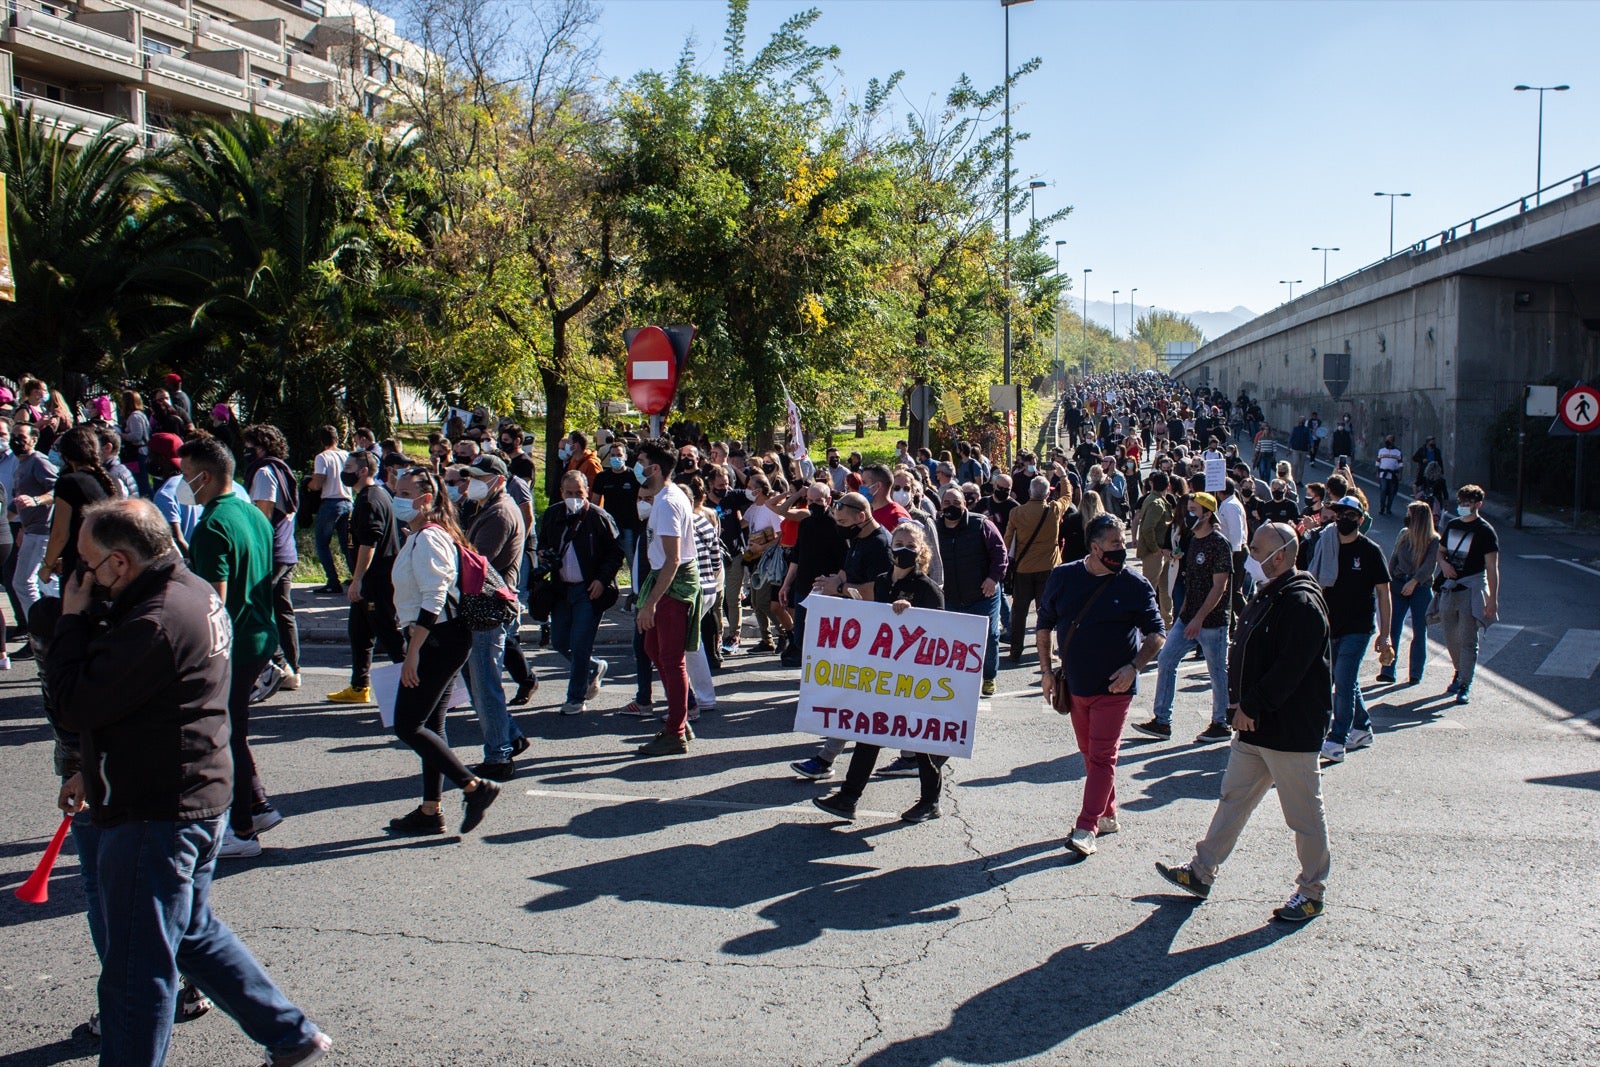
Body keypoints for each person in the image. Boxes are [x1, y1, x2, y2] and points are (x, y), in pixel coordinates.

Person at [47, 498, 334, 1066]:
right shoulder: (192, 589)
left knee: (136, 971)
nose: (77, 575)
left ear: (121, 563)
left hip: (156, 807)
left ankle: (286, 1033)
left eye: (86, 563)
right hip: (195, 792)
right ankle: (289, 1032)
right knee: (191, 932)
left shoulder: (153, 619)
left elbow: (74, 704)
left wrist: (72, 622)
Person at [1155, 520, 1334, 923]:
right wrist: (1242, 709)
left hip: (1288, 730)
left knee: (1303, 816)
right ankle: (1201, 872)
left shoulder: (1301, 603)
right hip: (1253, 726)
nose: (1250, 556)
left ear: (1282, 556)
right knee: (1233, 800)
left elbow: (1290, 669)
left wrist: (1251, 705)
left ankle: (1311, 891)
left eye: (1257, 551)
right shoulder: (1269, 592)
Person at [178, 437, 284, 859]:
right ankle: (255, 807)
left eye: (186, 476)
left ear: (204, 476)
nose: (183, 484)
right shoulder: (252, 515)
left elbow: (213, 603)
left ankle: (240, 831)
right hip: (259, 634)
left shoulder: (211, 525)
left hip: (233, 644)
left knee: (224, 736)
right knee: (234, 731)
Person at [1037, 514, 1165, 856]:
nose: (1122, 549)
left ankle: (1086, 826)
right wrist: (1047, 672)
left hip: (1115, 689)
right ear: (1094, 547)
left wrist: (1134, 668)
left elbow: (1157, 634)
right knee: (1089, 754)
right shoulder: (1064, 577)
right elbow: (1045, 624)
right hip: (1076, 685)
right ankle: (1107, 813)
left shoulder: (1135, 586)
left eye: (1123, 543)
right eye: (1115, 544)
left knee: (1104, 756)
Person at [384, 466, 503, 834]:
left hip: (439, 638)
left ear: (426, 499)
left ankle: (474, 786)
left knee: (408, 724)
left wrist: (413, 651)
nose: (396, 497)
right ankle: (430, 810)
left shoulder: (430, 538)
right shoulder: (420, 536)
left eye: (404, 492)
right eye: (396, 490)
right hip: (441, 637)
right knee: (432, 724)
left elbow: (435, 597)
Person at [811, 523, 951, 823]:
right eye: (897, 542)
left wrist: (912, 613)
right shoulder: (882, 581)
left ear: (921, 551)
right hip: (886, 676)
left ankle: (930, 800)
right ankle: (848, 797)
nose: (902, 549)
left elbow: (940, 635)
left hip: (915, 679)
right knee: (869, 733)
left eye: (910, 545)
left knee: (921, 742)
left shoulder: (928, 589)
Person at [1135, 491, 1232, 742]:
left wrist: (1199, 619)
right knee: (1166, 659)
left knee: (1217, 670)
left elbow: (1219, 586)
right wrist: (1185, 614)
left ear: (1208, 514)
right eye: (1188, 509)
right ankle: (1162, 721)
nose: (1188, 515)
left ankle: (1221, 723)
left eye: (1194, 511)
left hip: (1212, 622)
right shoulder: (1194, 541)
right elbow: (1191, 582)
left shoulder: (1219, 544)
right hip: (1187, 617)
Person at [460, 455, 529, 778]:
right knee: (479, 682)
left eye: (478, 477)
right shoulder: (490, 508)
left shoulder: (500, 513)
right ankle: (509, 737)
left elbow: (475, 563)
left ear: (498, 480)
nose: (470, 482)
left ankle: (499, 755)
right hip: (484, 608)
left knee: (485, 685)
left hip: (487, 610)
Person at [633, 441, 701, 756]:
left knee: (672, 659)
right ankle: (680, 715)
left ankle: (676, 731)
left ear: (655, 468)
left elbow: (673, 560)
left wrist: (651, 603)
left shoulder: (667, 502)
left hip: (672, 587)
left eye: (641, 461)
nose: (637, 466)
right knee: (651, 648)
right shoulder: (664, 497)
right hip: (664, 582)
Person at [540, 470, 623, 716]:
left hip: (589, 590)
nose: (574, 497)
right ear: (561, 493)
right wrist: (544, 554)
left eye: (579, 493)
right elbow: (542, 543)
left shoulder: (598, 517)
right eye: (569, 493)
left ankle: (575, 698)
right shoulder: (553, 514)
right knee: (560, 641)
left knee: (580, 644)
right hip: (561, 589)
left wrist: (601, 579)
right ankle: (594, 668)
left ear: (587, 492)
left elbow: (615, 552)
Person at [1318, 496, 1392, 763]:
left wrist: (1386, 634)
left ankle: (1337, 740)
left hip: (1358, 628)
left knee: (1344, 680)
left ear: (1361, 520)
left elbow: (1384, 593)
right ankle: (1362, 727)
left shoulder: (1370, 551)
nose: (1343, 520)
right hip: (1332, 625)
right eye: (1339, 514)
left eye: (1350, 515)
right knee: (1342, 679)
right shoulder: (1328, 547)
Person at [329, 450, 405, 704]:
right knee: (359, 633)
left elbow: (368, 543)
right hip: (371, 580)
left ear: (363, 471)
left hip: (376, 581)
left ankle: (419, 689)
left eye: (349, 466)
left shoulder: (371, 499)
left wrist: (358, 579)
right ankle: (359, 686)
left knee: (390, 635)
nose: (345, 471)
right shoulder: (374, 495)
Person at [242, 424, 301, 699]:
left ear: (261, 446)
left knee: (258, 609)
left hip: (271, 551)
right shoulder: (281, 468)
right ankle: (292, 670)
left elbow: (261, 515)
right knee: (282, 609)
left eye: (250, 445)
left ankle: (276, 666)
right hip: (285, 549)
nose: (246, 451)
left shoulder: (264, 472)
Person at [933, 486, 1007, 698]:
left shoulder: (981, 524)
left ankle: (989, 676)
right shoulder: (935, 529)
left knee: (990, 636)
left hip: (983, 594)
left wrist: (993, 578)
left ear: (965, 504)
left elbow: (1000, 553)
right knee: (953, 640)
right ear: (940, 506)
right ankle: (958, 680)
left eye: (957, 503)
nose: (952, 507)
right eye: (947, 503)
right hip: (951, 597)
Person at [1435, 484, 1499, 705]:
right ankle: (1458, 671)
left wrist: (1492, 599)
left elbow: (1492, 567)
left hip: (1471, 589)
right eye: (1461, 502)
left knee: (1468, 639)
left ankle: (1464, 683)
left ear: (1478, 504)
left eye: (1468, 503)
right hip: (1450, 586)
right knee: (1450, 636)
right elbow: (1440, 553)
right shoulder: (1452, 525)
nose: (1464, 506)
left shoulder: (1485, 531)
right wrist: (1443, 565)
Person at [1003, 475, 1070, 663]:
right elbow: (1067, 496)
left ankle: (1015, 650)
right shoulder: (1054, 510)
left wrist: (1004, 564)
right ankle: (1047, 652)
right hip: (1049, 568)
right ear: (1048, 493)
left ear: (1029, 492)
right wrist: (1063, 477)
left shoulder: (1016, 513)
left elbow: (1007, 541)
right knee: (1046, 611)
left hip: (1024, 569)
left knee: (1019, 611)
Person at [39, 426, 113, 588]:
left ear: (65, 455)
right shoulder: (103, 479)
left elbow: (60, 533)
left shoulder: (68, 482)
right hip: (103, 561)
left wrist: (47, 565)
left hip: (79, 563)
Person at [1379, 500, 1439, 687]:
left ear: (1419, 518)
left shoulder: (1433, 539)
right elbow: (1394, 558)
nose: (1407, 517)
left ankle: (1415, 673)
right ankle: (1388, 670)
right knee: (1393, 629)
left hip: (1420, 587)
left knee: (1419, 632)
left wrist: (1414, 582)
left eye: (1410, 514)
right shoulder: (1403, 534)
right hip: (1398, 584)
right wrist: (1387, 581)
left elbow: (1430, 566)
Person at [9, 422, 58, 617]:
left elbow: (58, 490)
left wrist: (36, 500)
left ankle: (38, 627)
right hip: (30, 530)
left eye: (21, 437)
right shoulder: (21, 464)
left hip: (41, 531)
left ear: (34, 440)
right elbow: (16, 505)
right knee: (42, 580)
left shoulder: (39, 461)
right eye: (13, 436)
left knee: (23, 582)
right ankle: (60, 618)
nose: (15, 441)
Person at [307, 424, 353, 595]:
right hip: (348, 501)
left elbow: (318, 482)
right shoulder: (346, 455)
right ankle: (357, 576)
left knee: (322, 543)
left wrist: (308, 485)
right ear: (337, 439)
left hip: (330, 502)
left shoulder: (322, 457)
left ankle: (333, 581)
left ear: (321, 440)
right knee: (346, 544)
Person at [1134, 471, 1175, 627]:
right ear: (1168, 485)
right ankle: (1145, 624)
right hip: (1154, 553)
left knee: (1164, 588)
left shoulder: (1154, 500)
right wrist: (1155, 548)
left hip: (1159, 552)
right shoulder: (1157, 503)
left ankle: (1167, 622)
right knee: (1149, 589)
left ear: (1151, 484)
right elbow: (1147, 528)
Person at [1375, 434, 1404, 515]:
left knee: (1391, 492)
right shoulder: (1381, 451)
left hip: (1393, 475)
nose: (1388, 441)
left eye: (1390, 439)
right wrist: (1377, 473)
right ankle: (1382, 508)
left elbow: (1401, 465)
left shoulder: (1397, 452)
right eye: (1387, 439)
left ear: (1393, 441)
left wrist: (1400, 474)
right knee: (1383, 490)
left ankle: (1388, 508)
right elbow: (1377, 463)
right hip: (1383, 474)